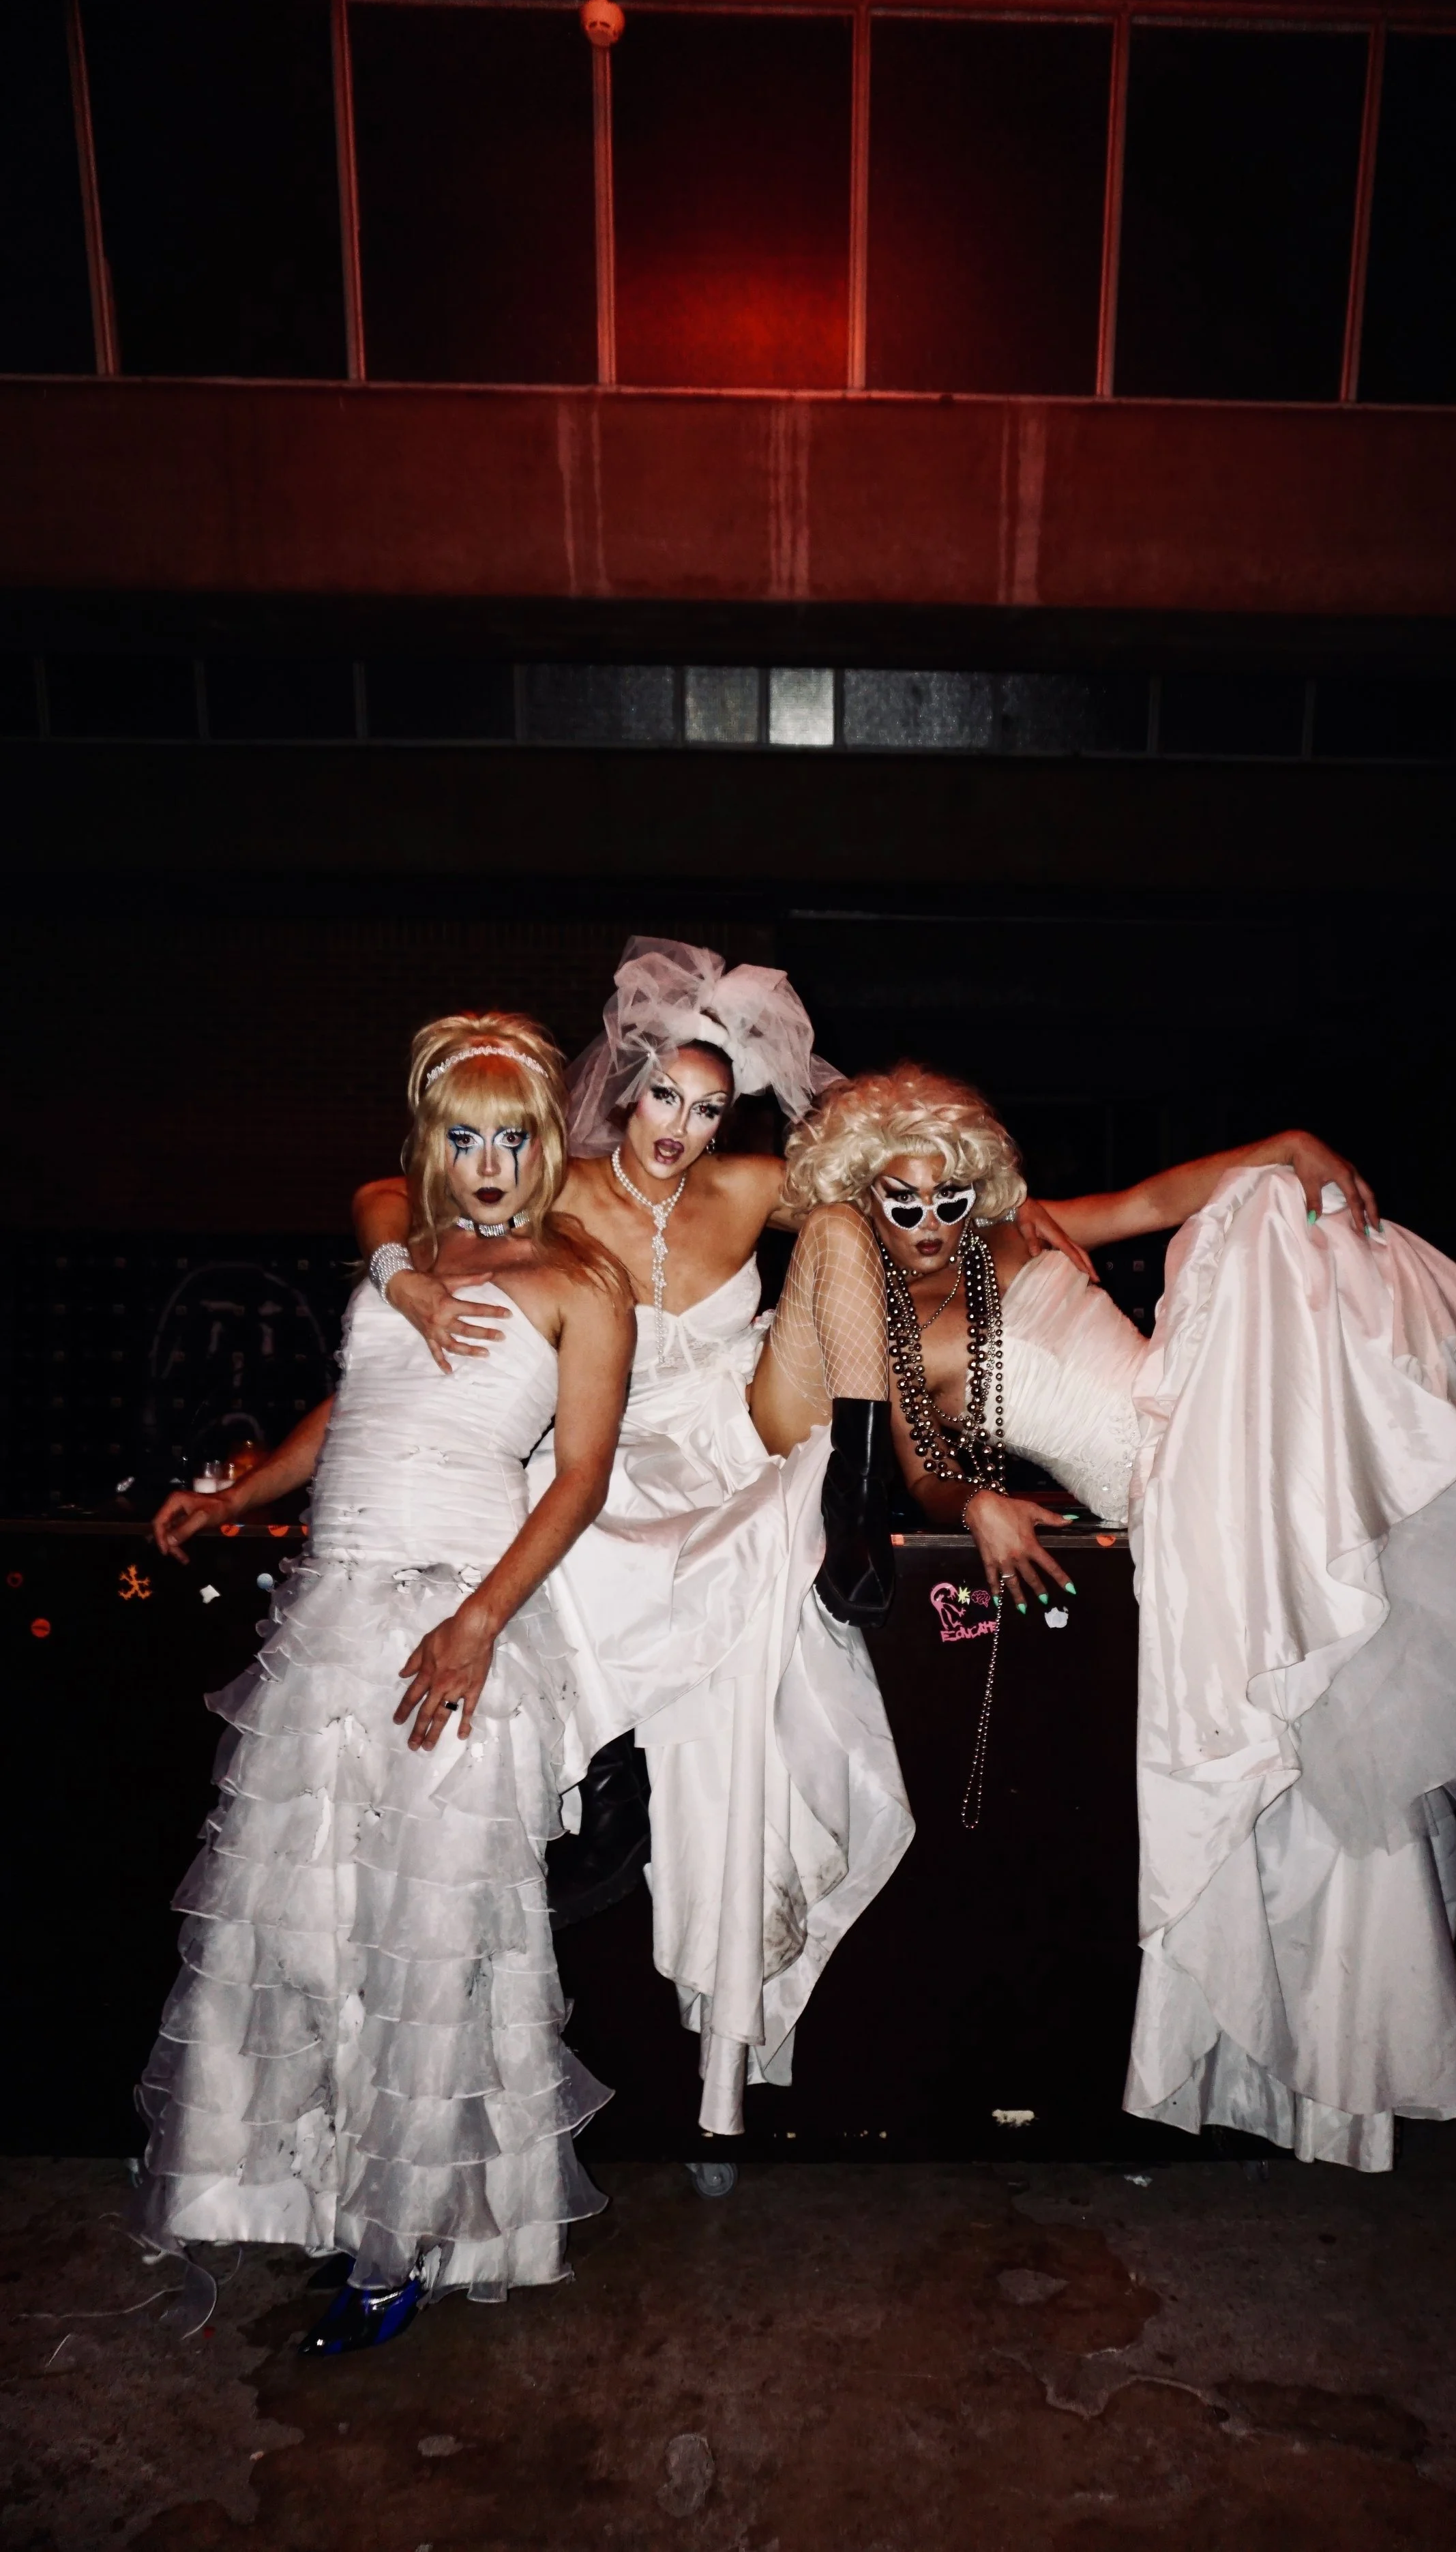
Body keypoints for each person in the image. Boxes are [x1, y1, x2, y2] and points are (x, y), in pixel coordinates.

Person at [778, 1064, 1456, 2171]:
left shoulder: (1026, 1230)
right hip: (1169, 1505)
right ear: (863, 1199)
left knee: (1264, 1209)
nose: (929, 1224)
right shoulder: (885, 1317)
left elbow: (1167, 1198)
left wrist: (1289, 1140)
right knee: (1287, 1752)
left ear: (976, 1185)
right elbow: (920, 1464)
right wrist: (971, 1499)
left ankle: (1447, 1405)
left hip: (1205, 1427)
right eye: (899, 1202)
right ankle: (1298, 2079)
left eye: (947, 1196)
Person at [352, 948, 1075, 2135]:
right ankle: (610, 1779)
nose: (681, 1129)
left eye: (706, 1105)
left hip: (749, 1429)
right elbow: (393, 1196)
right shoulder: (555, 1186)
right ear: (622, 1090)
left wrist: (1004, 1208)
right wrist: (399, 1276)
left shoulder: (746, 1188)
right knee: (572, 1547)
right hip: (611, 1448)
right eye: (661, 1100)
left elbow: (898, 1191)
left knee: (843, 1226)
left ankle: (848, 1507)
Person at [135, 1021, 634, 2352]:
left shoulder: (583, 1277)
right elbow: (351, 1407)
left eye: (512, 1135)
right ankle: (336, 2198)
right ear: (434, 1143)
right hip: (334, 1620)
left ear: (545, 1143)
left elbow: (577, 1476)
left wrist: (479, 1621)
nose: (486, 1162)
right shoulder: (402, 1248)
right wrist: (238, 1489)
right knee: (312, 1925)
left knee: (433, 1939)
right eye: (461, 1136)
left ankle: (409, 2237)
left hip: (451, 1625)